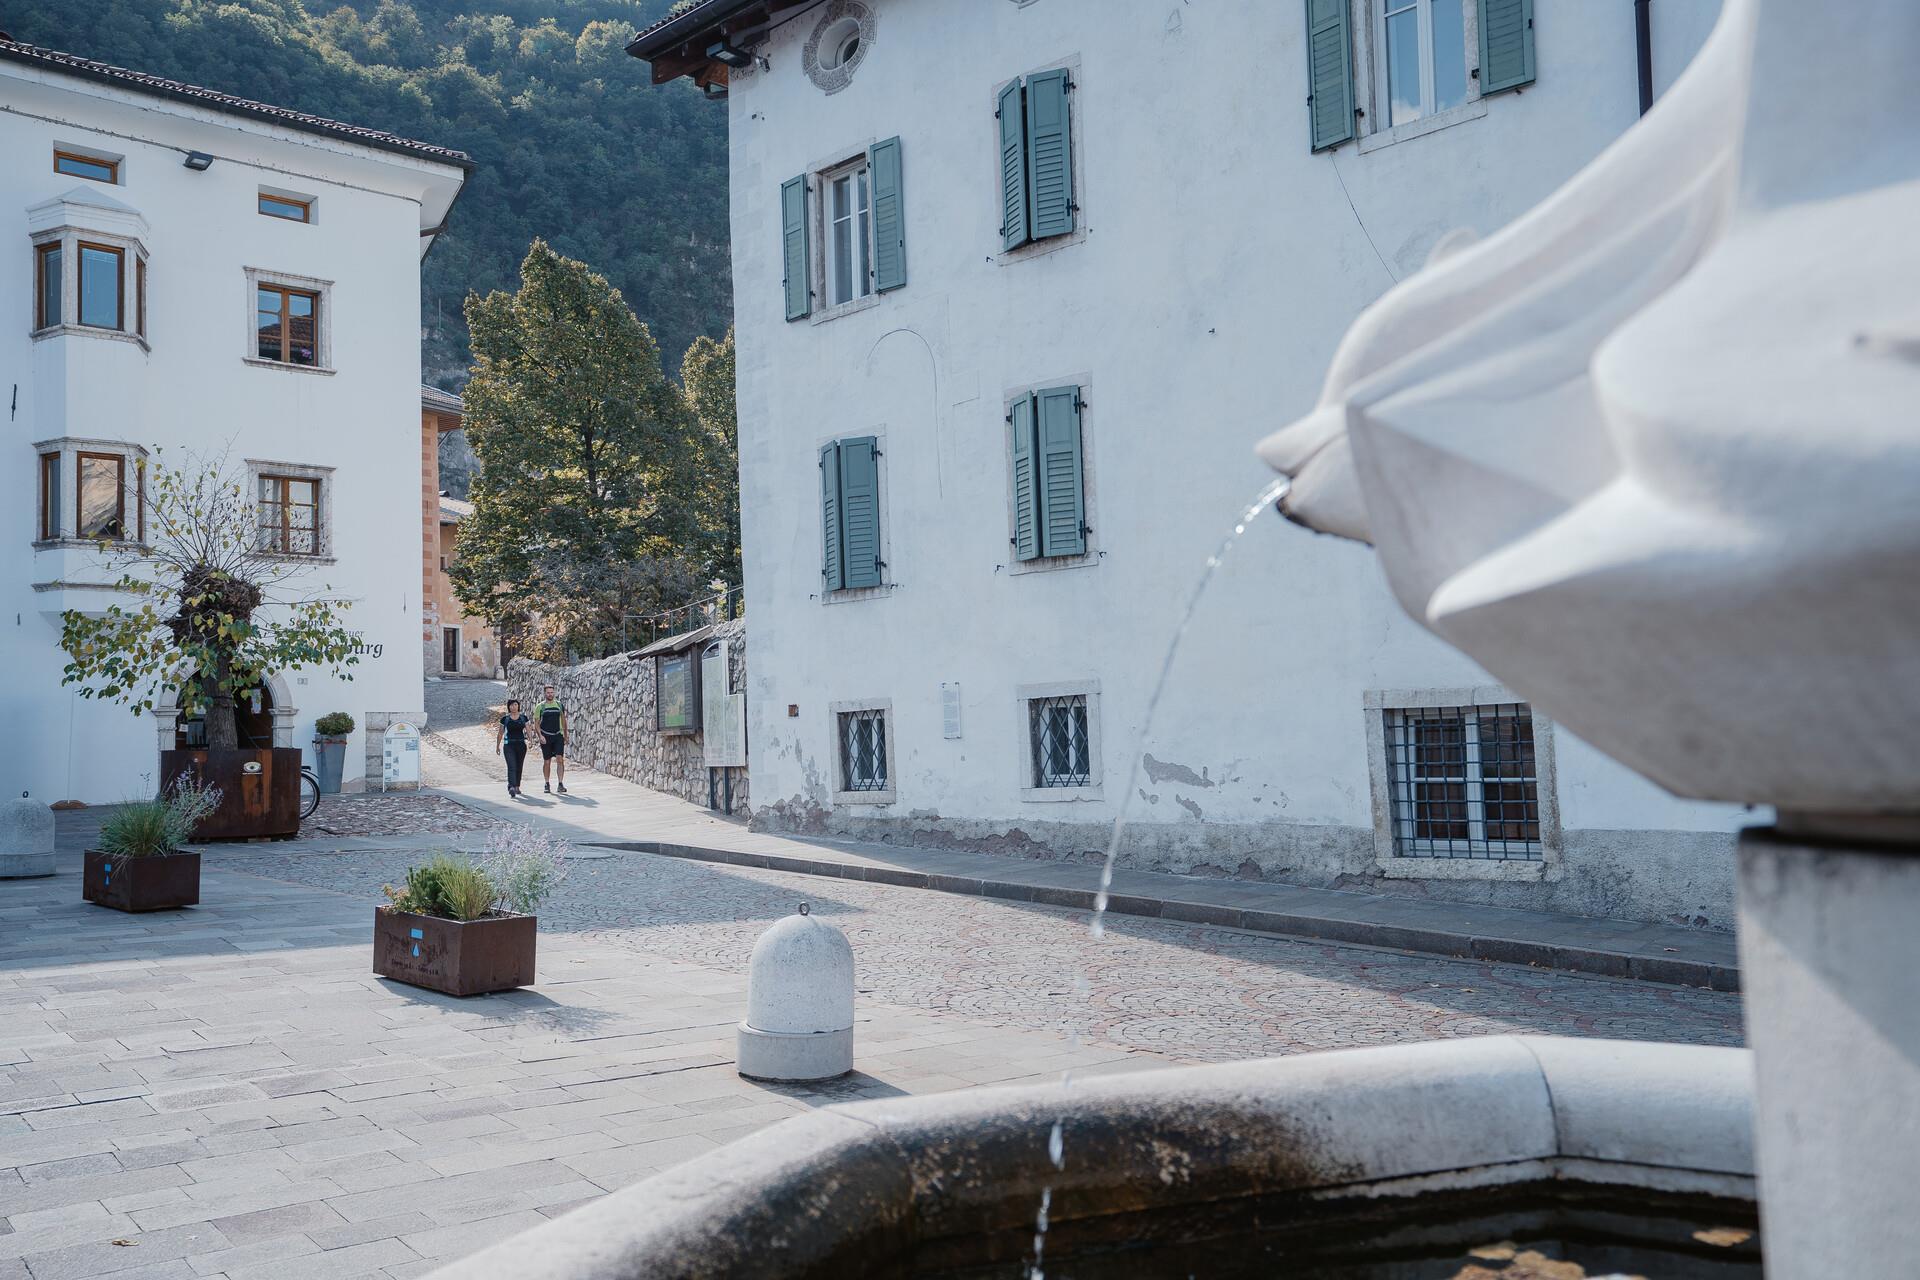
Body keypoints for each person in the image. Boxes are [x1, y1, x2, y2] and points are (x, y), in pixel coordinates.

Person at [533, 685, 569, 794]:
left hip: (558, 735)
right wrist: (540, 736)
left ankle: (560, 784)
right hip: (546, 736)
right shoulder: (540, 707)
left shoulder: (559, 705)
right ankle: (547, 783)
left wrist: (565, 735)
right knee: (547, 761)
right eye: (548, 692)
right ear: (544, 693)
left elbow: (563, 720)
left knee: (560, 759)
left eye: (552, 692)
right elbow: (536, 724)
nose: (550, 694)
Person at [494, 698, 529, 798]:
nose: (514, 707)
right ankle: (511, 787)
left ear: (518, 706)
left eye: (515, 705)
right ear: (509, 707)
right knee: (511, 766)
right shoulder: (505, 719)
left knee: (519, 766)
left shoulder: (523, 718)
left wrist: (530, 740)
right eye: (511, 705)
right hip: (509, 745)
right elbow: (500, 732)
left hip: (521, 745)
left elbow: (528, 729)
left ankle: (517, 786)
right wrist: (497, 746)